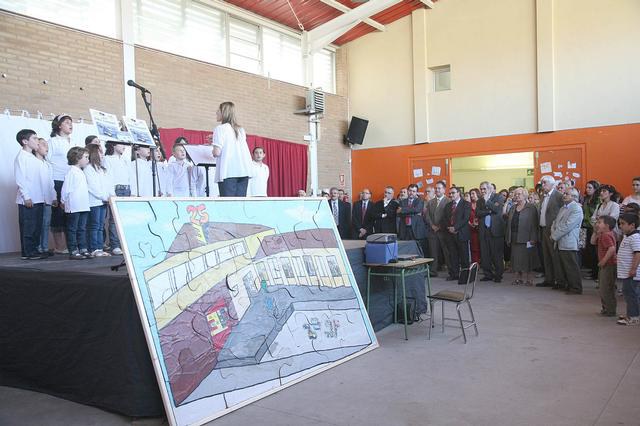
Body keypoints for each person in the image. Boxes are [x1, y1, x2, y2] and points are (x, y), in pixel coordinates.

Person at [15, 129, 50, 260]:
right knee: (28, 227)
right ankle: (28, 252)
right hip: (28, 199)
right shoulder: (21, 157)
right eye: (34, 138)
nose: (37, 141)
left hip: (39, 198)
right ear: (25, 141)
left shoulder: (33, 158)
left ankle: (34, 250)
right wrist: (26, 196)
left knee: (36, 227)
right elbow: (20, 178)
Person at [47, 114, 76, 254]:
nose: (70, 125)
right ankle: (59, 246)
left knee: (70, 212)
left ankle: (71, 244)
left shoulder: (73, 142)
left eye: (71, 122)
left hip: (72, 181)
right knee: (58, 213)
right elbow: (47, 162)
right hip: (57, 180)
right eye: (67, 122)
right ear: (59, 125)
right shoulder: (52, 141)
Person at [211, 102, 252, 197]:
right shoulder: (240, 130)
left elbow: (217, 152)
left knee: (228, 204)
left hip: (228, 172)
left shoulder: (220, 128)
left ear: (224, 112)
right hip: (243, 171)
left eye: (218, 110)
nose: (216, 112)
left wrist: (213, 148)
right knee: (239, 204)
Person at [551, 188, 584, 294]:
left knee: (571, 265)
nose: (564, 195)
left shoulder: (576, 209)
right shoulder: (563, 208)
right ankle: (565, 284)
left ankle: (576, 287)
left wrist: (554, 235)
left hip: (568, 240)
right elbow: (555, 222)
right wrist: (553, 231)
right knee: (562, 265)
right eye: (564, 193)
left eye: (567, 194)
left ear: (574, 197)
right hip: (559, 239)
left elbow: (568, 225)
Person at [61, 147, 90, 260]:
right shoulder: (71, 172)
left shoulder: (80, 172)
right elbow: (66, 189)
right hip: (74, 206)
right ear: (77, 158)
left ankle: (83, 248)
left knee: (81, 228)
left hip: (83, 205)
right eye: (86, 157)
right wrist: (63, 200)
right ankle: (73, 250)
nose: (88, 160)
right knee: (72, 229)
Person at [84, 144, 113, 257]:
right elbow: (92, 187)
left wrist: (110, 196)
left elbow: (107, 184)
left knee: (100, 226)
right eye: (100, 152)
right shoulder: (88, 169)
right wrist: (105, 197)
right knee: (94, 226)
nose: (102, 154)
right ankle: (93, 248)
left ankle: (99, 247)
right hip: (94, 202)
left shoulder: (101, 169)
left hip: (103, 201)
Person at [506, 188, 539, 286]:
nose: (517, 196)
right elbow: (509, 224)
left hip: (527, 237)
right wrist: (508, 237)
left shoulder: (531, 208)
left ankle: (529, 280)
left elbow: (535, 224)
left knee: (528, 259)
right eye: (515, 194)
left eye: (519, 194)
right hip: (514, 236)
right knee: (516, 259)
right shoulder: (513, 208)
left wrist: (533, 238)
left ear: (525, 195)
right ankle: (518, 279)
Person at [536, 176, 564, 287]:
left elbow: (563, 212)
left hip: (552, 229)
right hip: (543, 228)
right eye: (542, 183)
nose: (543, 185)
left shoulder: (558, 196)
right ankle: (549, 279)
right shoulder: (543, 196)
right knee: (546, 256)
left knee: (554, 256)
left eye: (545, 183)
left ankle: (559, 280)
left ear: (552, 184)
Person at [103, 142, 131, 255]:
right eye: (121, 144)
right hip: (117, 189)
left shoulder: (125, 159)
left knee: (125, 218)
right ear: (113, 145)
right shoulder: (108, 159)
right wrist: (111, 192)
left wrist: (132, 191)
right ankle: (114, 245)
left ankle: (123, 244)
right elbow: (108, 177)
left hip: (127, 189)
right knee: (114, 219)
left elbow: (130, 176)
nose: (124, 147)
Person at [477, 181, 505, 283]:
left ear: (489, 189)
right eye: (481, 189)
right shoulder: (479, 201)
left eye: (484, 189)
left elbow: (496, 209)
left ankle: (498, 275)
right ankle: (487, 274)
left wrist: (487, 201)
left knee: (496, 254)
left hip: (495, 230)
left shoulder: (498, 197)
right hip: (483, 230)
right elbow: (478, 213)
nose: (482, 191)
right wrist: (489, 211)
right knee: (485, 254)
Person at [441, 186, 471, 282]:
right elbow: (444, 218)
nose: (451, 195)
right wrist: (450, 228)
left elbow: (465, 218)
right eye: (450, 193)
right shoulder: (448, 205)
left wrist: (455, 228)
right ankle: (454, 274)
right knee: (453, 255)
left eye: (453, 193)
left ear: (458, 193)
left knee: (464, 256)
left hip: (461, 233)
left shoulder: (466, 204)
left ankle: (465, 276)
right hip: (450, 234)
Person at [616, 213, 640, 326]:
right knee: (628, 293)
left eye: (623, 224)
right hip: (626, 272)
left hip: (632, 273)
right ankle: (632, 313)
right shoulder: (627, 236)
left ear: (632, 225)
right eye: (620, 224)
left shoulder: (635, 237)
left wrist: (633, 269)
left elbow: (638, 254)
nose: (620, 226)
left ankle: (633, 316)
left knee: (631, 294)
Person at [591, 215, 618, 316]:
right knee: (603, 287)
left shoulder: (606, 235)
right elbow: (592, 242)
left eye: (599, 222)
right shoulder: (603, 234)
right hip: (606, 265)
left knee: (606, 287)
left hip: (608, 265)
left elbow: (611, 248)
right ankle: (606, 308)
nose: (597, 224)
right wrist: (596, 232)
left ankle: (610, 309)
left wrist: (603, 261)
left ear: (606, 226)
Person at [34, 138, 56, 256]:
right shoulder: (32, 162)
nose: (46, 147)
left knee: (46, 224)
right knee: (37, 223)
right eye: (43, 144)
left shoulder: (48, 165)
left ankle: (45, 247)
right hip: (36, 198)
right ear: (36, 146)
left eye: (47, 145)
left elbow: (50, 182)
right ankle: (37, 247)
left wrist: (54, 197)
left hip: (47, 198)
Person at [425, 181, 450, 276]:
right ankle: (433, 271)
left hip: (444, 231)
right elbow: (427, 216)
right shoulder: (431, 202)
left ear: (444, 189)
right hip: (432, 231)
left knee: (447, 252)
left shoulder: (448, 201)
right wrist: (432, 225)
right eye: (436, 188)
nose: (437, 190)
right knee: (433, 252)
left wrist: (439, 226)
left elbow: (448, 216)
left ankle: (451, 271)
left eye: (439, 188)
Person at [397, 184, 428, 257]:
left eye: (414, 191)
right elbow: (399, 214)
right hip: (405, 228)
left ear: (416, 192)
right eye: (410, 190)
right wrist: (412, 212)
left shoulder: (420, 200)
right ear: (408, 191)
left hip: (416, 229)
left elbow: (417, 209)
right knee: (406, 249)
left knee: (419, 249)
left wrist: (403, 210)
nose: (411, 193)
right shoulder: (402, 201)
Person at [581, 180, 601, 280]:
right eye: (587, 187)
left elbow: (595, 213)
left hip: (593, 226)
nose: (587, 189)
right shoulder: (586, 198)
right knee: (588, 249)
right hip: (585, 226)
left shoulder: (598, 200)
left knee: (595, 250)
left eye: (590, 188)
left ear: (595, 189)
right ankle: (593, 269)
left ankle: (596, 272)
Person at [468, 188, 481, 264]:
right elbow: (465, 217)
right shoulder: (468, 205)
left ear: (477, 194)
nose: (471, 195)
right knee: (473, 248)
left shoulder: (482, 204)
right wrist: (470, 224)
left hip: (481, 229)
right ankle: (475, 264)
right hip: (471, 230)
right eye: (470, 194)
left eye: (473, 193)